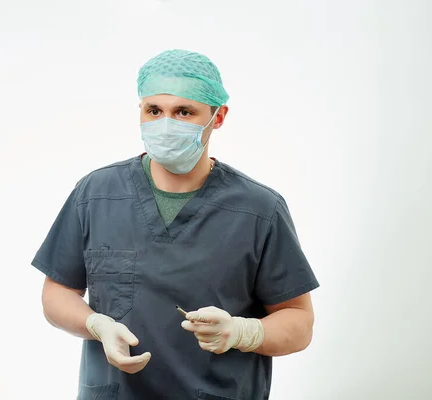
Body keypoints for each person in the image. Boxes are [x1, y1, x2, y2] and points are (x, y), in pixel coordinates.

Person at [31, 49, 319, 400]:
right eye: (154, 110)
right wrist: (97, 325)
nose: (166, 124)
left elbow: (299, 322)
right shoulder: (97, 194)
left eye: (184, 112)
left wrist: (244, 332)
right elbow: (57, 292)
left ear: (218, 116)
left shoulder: (259, 210)